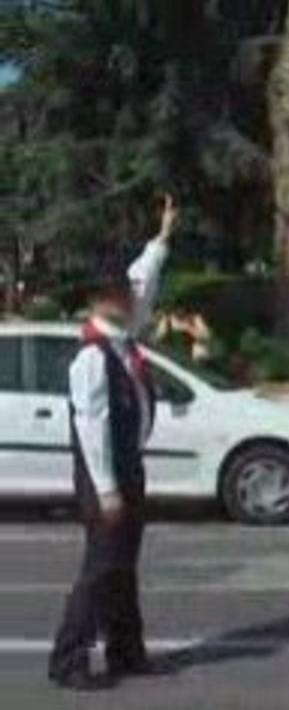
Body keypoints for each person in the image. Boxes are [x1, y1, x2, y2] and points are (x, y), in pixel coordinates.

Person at [48, 195, 177, 691]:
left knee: (123, 565)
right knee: (102, 567)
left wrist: (162, 238)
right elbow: (92, 427)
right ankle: (68, 658)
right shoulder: (92, 357)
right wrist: (106, 489)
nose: (133, 297)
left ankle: (126, 650)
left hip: (128, 467)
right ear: (104, 300)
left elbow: (145, 282)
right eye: (123, 292)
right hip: (106, 474)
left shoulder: (120, 338)